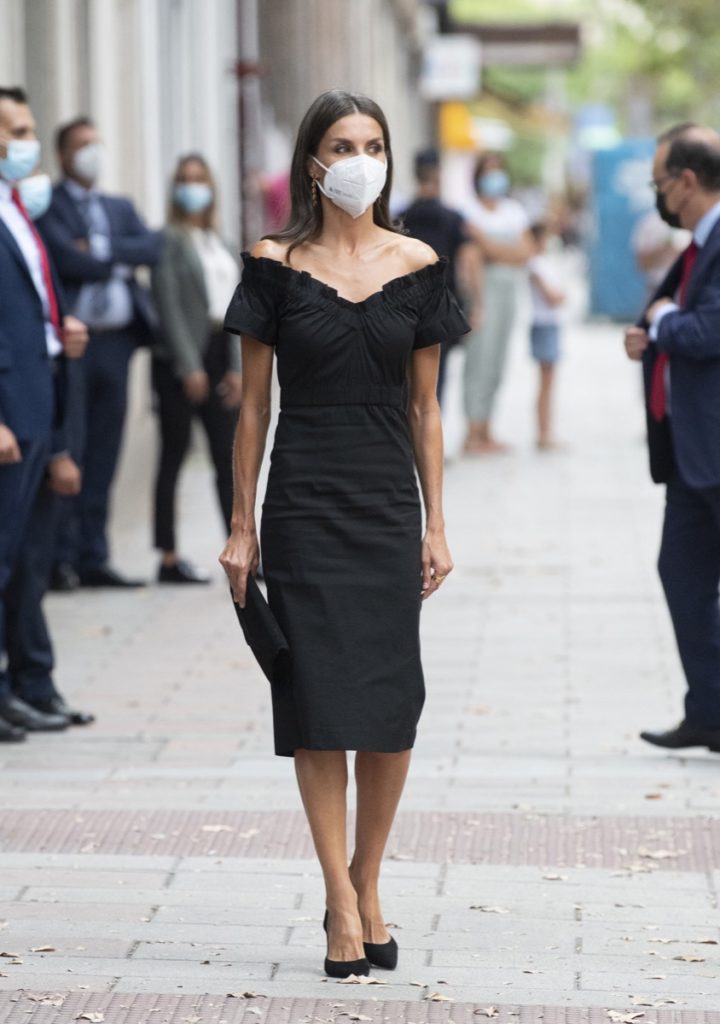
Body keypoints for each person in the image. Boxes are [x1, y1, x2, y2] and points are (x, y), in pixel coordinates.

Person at [219, 90, 468, 978]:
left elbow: (426, 409)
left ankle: (368, 879)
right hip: (303, 503)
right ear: (312, 162)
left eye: (373, 144)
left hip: (386, 505)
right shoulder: (273, 264)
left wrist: (437, 523)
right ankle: (337, 898)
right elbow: (253, 408)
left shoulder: (419, 263)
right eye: (342, 144)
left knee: (391, 710)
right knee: (318, 704)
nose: (360, 159)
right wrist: (240, 525)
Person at [624, 122, 720, 752]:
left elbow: (706, 332)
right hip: (690, 453)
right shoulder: (695, 246)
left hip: (713, 445)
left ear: (686, 181)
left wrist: (661, 322)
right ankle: (709, 712)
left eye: (660, 183)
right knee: (682, 572)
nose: (658, 195)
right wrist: (652, 330)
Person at [36, 116, 162, 589]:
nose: (93, 152)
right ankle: (61, 558)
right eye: (83, 145)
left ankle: (95, 555)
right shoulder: (49, 205)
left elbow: (152, 248)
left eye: (97, 143)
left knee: (106, 448)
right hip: (72, 346)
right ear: (64, 155)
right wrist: (110, 258)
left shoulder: (117, 206)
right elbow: (65, 258)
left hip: (116, 343)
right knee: (72, 446)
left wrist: (101, 247)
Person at [0, 86, 89, 741]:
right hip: (9, 413)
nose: (26, 143)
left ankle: (28, 685)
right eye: (15, 131)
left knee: (28, 559)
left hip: (39, 403)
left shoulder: (17, 210)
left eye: (28, 129)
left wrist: (61, 330)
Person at [150, 153, 242, 583]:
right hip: (181, 358)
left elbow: (238, 308)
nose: (193, 187)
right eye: (185, 179)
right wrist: (189, 366)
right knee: (174, 453)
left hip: (222, 350)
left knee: (228, 457)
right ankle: (168, 557)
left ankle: (239, 550)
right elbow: (168, 306)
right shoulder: (168, 240)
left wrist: (237, 368)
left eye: (200, 179)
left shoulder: (220, 242)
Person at [462, 152, 532, 454]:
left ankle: (487, 428)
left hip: (509, 292)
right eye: (488, 171)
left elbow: (526, 251)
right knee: (480, 358)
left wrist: (490, 247)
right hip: (482, 292)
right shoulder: (469, 210)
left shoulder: (512, 210)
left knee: (498, 361)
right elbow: (473, 255)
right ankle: (472, 430)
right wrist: (505, 251)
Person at [401, 148, 482, 403]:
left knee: (406, 380)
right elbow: (469, 261)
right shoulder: (453, 218)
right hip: (440, 305)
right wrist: (477, 303)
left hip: (403, 306)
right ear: (438, 173)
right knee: (435, 383)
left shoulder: (400, 217)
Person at [527, 222, 566, 449]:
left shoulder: (544, 262)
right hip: (543, 324)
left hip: (550, 323)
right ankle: (543, 433)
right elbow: (552, 296)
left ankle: (546, 430)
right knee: (545, 383)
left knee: (549, 382)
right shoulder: (535, 265)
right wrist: (560, 296)